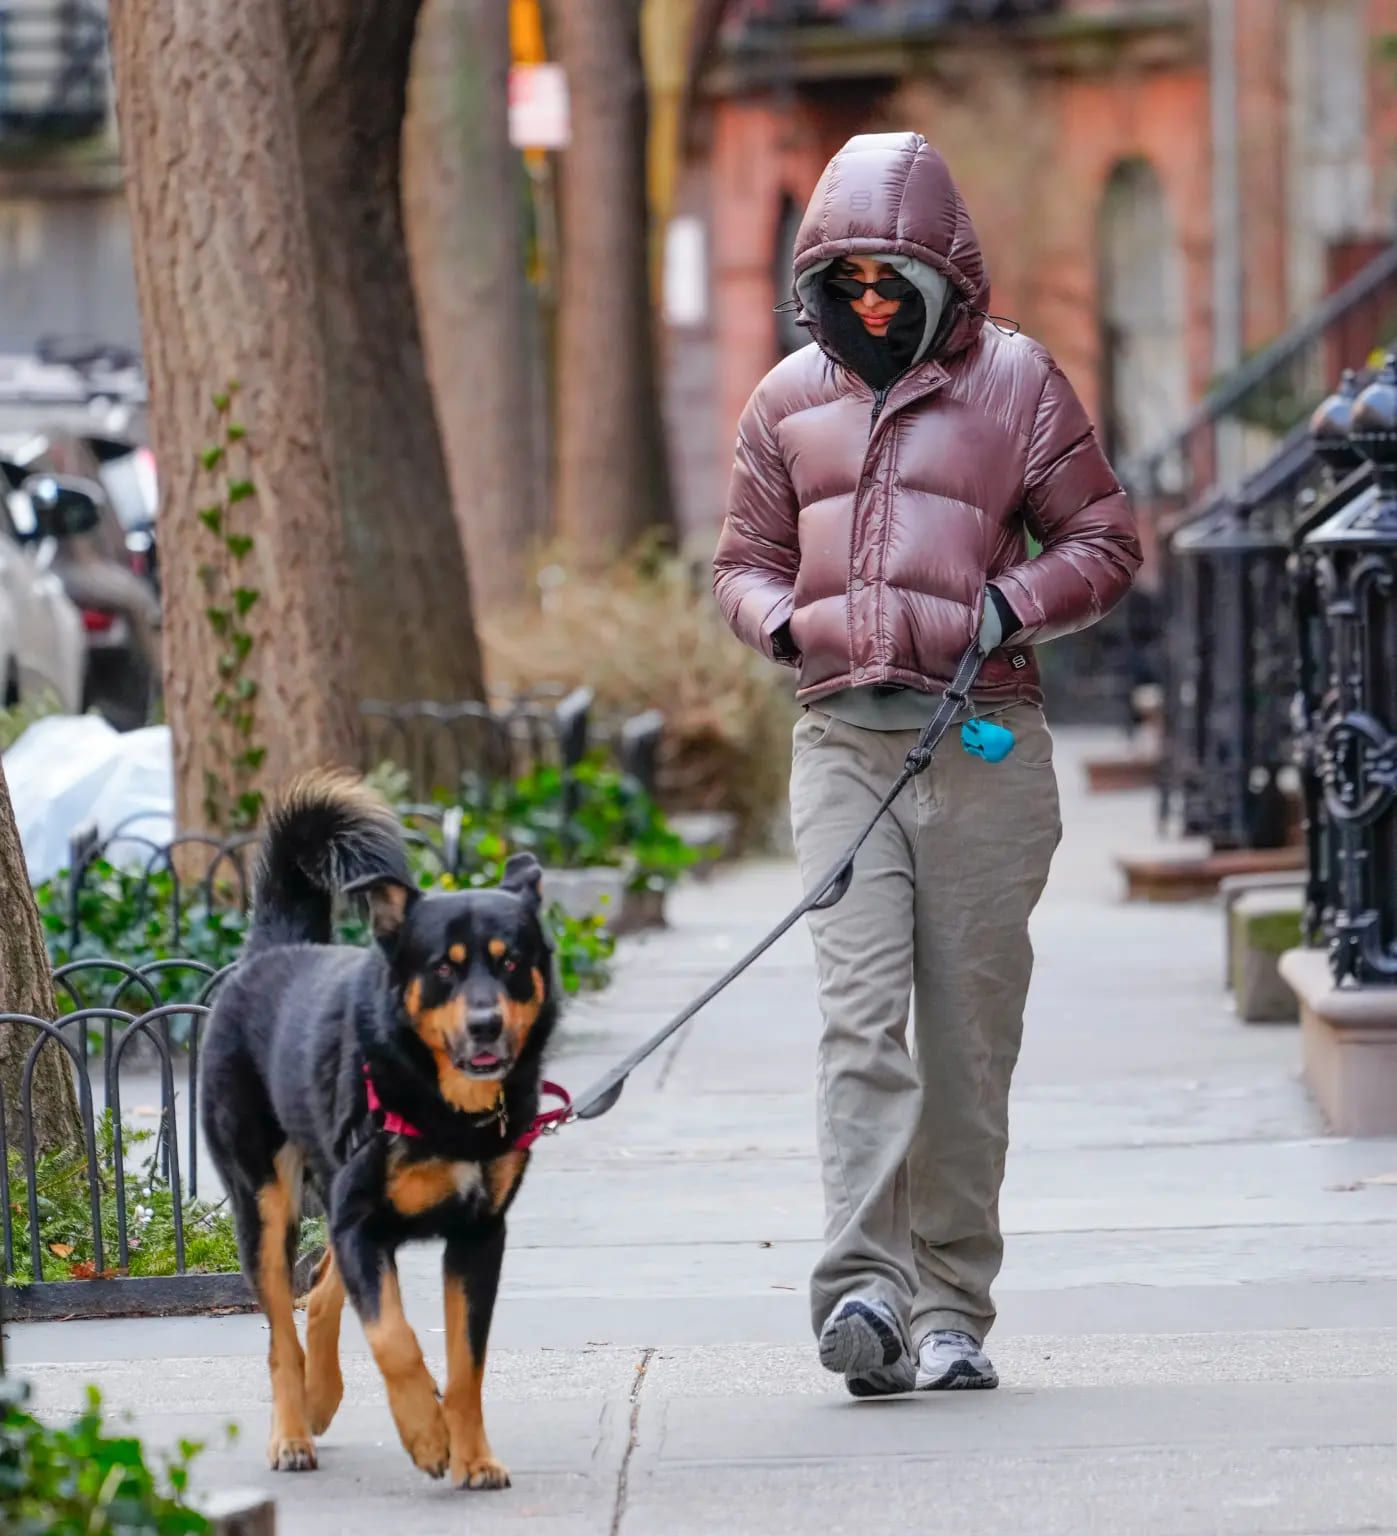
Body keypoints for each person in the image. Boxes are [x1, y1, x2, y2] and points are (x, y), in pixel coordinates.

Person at [712, 132, 1141, 1396]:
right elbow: (739, 563)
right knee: (859, 1026)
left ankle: (951, 1304)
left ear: (945, 274)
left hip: (982, 751)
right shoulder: (785, 399)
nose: (871, 303)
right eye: (845, 280)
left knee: (963, 1044)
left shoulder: (1016, 384)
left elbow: (1105, 539)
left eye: (893, 278)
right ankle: (861, 1297)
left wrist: (1007, 606)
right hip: (843, 746)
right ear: (816, 282)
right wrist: (782, 623)